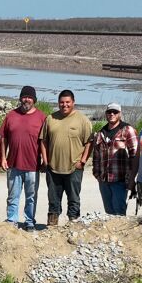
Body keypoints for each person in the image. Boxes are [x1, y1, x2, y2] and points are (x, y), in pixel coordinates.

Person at [39, 90, 93, 226]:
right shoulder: (51, 118)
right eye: (62, 102)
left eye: (67, 102)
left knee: (74, 199)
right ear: (58, 103)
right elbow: (43, 141)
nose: (64, 105)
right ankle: (52, 227)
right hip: (53, 168)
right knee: (53, 200)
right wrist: (45, 161)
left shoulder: (83, 120)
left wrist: (83, 161)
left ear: (73, 102)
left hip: (74, 168)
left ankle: (73, 225)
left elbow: (89, 142)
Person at [0, 85, 46, 231]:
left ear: (34, 100)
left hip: (33, 165)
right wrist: (3, 157)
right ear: (20, 98)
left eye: (30, 97)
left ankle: (29, 221)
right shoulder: (11, 115)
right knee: (13, 196)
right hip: (13, 164)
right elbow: (3, 138)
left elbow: (45, 141)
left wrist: (45, 159)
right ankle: (11, 220)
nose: (27, 100)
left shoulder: (42, 117)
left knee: (31, 196)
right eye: (24, 97)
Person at [91, 102, 138, 216]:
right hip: (104, 181)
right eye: (109, 112)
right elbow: (96, 156)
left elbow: (135, 155)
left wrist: (131, 178)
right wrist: (97, 174)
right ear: (106, 114)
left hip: (120, 180)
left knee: (119, 213)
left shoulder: (127, 130)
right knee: (109, 213)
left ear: (120, 114)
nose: (112, 114)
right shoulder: (101, 133)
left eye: (115, 112)